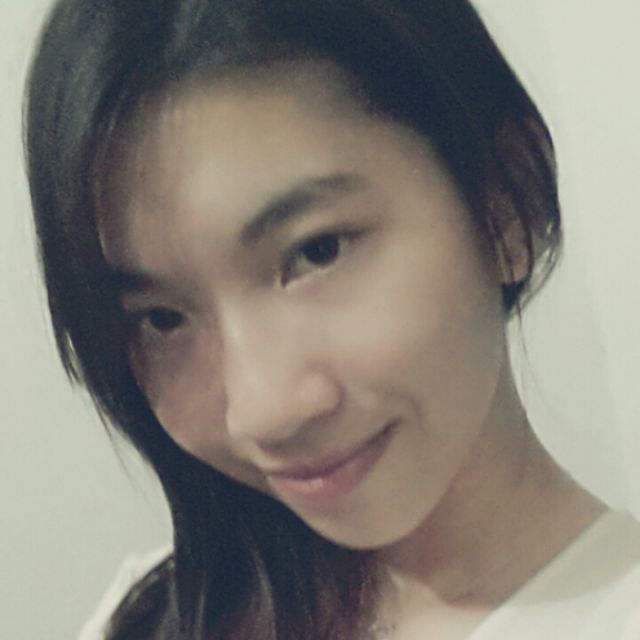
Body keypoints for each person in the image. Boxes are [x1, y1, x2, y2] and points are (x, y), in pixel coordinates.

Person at [23, 0, 640, 638]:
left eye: (316, 252)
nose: (261, 413)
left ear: (508, 203)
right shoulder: (153, 616)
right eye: (162, 318)